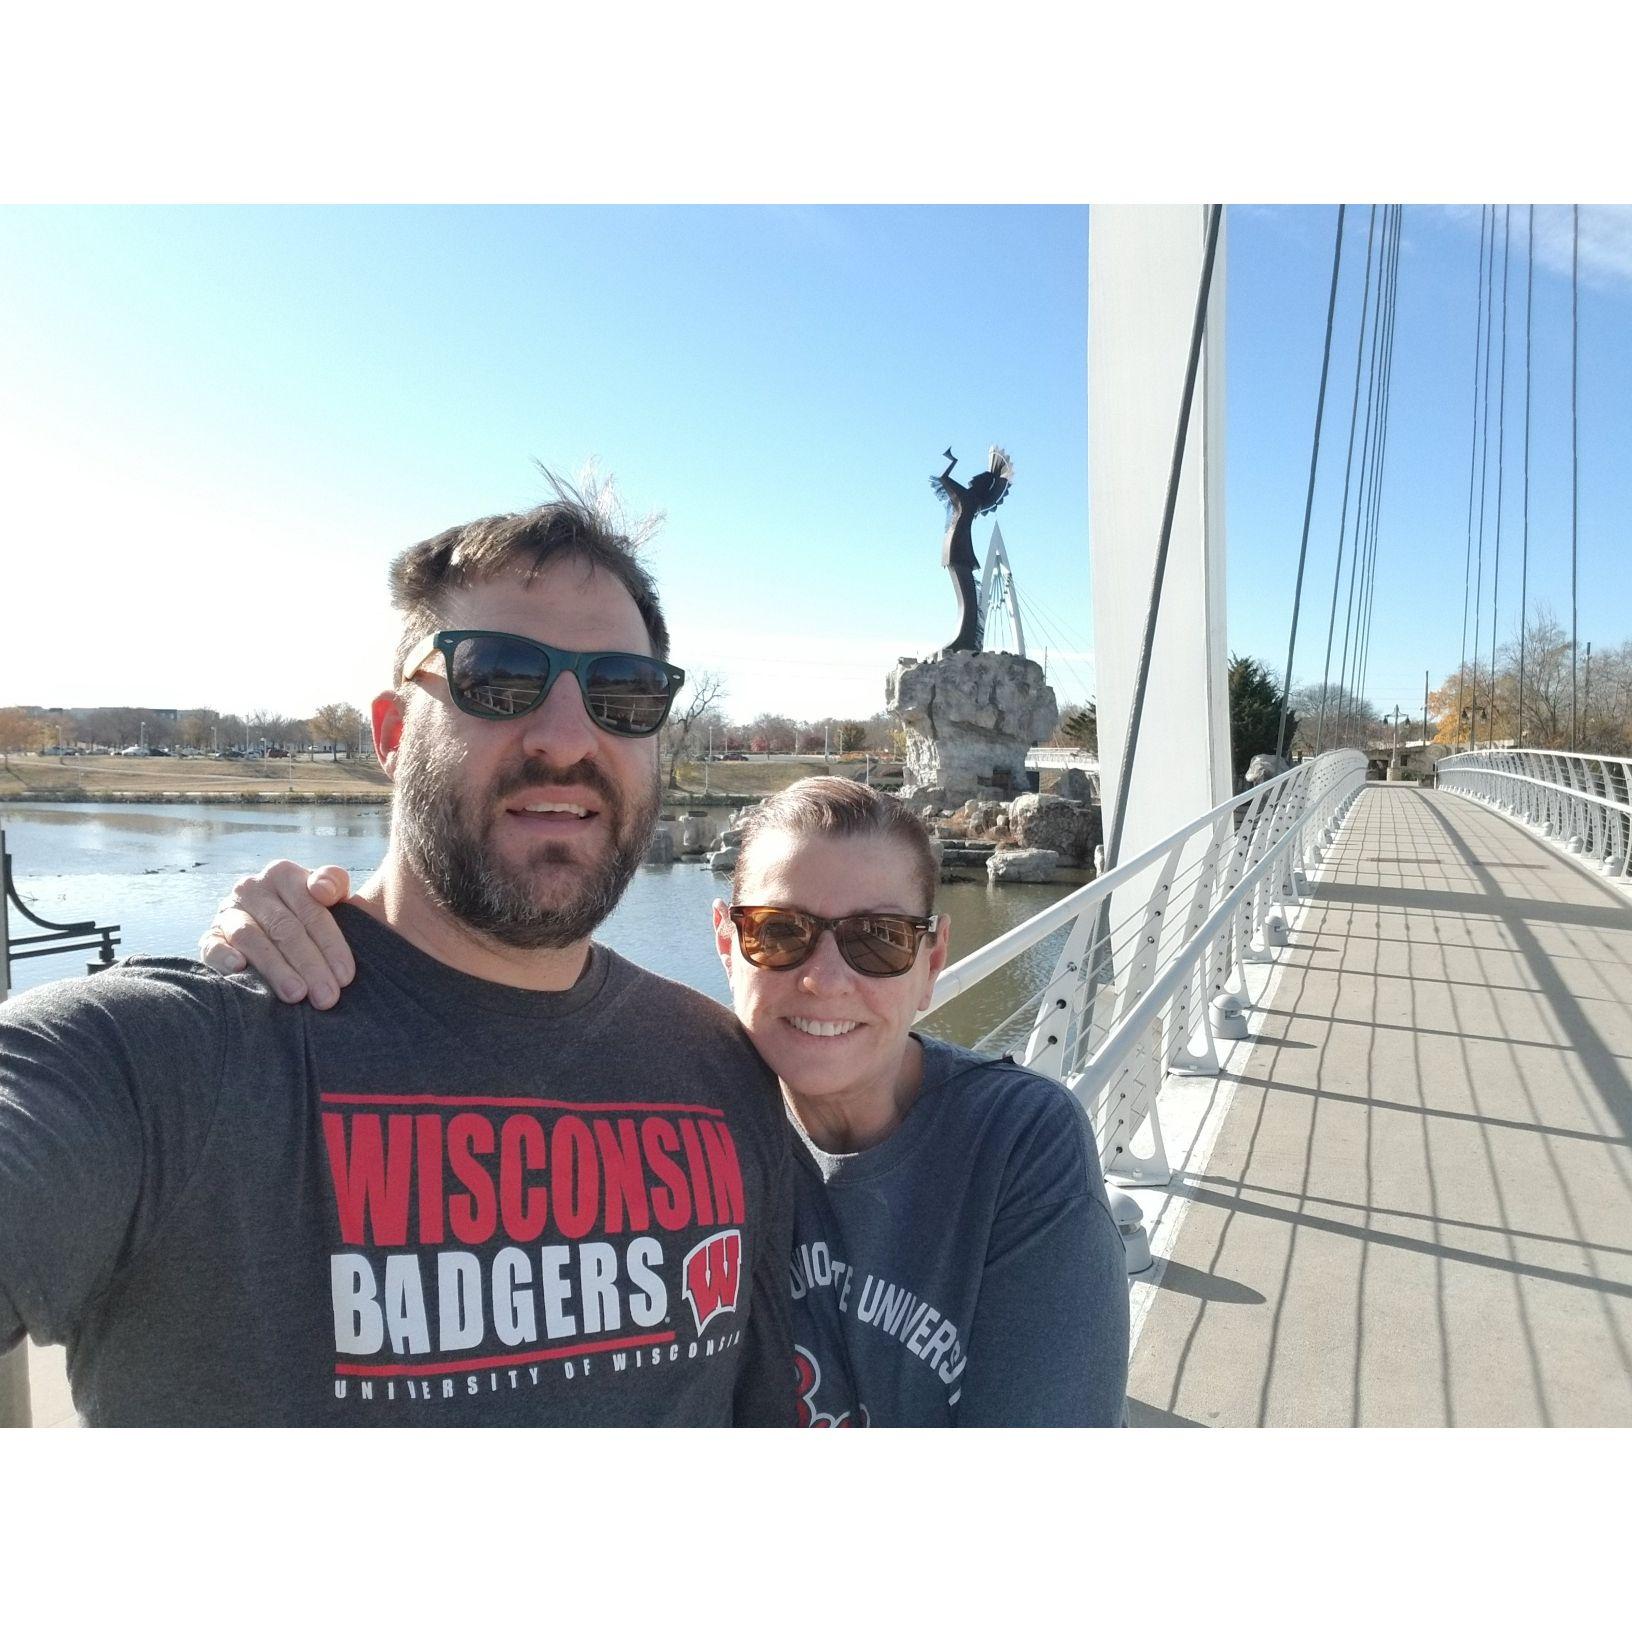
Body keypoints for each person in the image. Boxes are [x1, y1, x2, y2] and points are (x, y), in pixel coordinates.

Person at [0, 482, 795, 1426]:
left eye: (624, 693)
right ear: (390, 733)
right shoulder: (158, 1062)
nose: (566, 739)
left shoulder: (723, 1069)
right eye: (498, 677)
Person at [205, 778, 1130, 1425]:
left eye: (880, 939)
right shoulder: (679, 1098)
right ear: (725, 941)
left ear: (933, 961)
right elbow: (478, 1022)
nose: (825, 978)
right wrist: (299, 927)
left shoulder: (1015, 1142)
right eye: (781, 933)